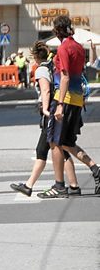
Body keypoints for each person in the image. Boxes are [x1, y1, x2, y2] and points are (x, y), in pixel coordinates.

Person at [38, 15, 100, 198]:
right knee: (67, 143)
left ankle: (59, 186)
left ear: (57, 31)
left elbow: (64, 77)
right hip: (77, 99)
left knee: (55, 143)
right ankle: (96, 170)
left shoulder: (64, 48)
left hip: (64, 99)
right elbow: (80, 74)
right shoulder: (79, 47)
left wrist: (59, 105)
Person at [10, 41, 80, 197]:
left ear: (35, 56)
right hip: (58, 109)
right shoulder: (50, 66)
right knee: (61, 149)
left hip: (49, 112)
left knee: (43, 150)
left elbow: (46, 91)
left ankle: (29, 186)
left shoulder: (41, 70)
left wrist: (46, 110)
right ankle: (74, 185)